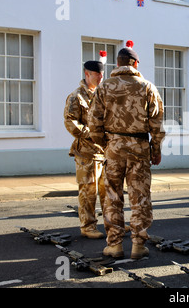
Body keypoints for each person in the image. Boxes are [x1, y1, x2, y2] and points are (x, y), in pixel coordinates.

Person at [88, 40, 165, 259]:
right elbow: (157, 125)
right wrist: (155, 149)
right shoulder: (147, 87)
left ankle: (114, 245)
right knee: (139, 196)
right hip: (139, 147)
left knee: (112, 196)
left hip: (114, 147)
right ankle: (138, 245)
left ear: (118, 63)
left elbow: (94, 123)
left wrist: (106, 144)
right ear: (135, 64)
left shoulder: (104, 86)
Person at [64, 51, 107, 239]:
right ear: (87, 73)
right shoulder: (76, 96)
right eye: (97, 75)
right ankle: (88, 226)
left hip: (104, 152)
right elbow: (70, 122)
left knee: (108, 192)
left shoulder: (102, 94)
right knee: (89, 191)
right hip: (87, 152)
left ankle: (112, 223)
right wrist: (91, 134)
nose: (100, 78)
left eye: (102, 74)